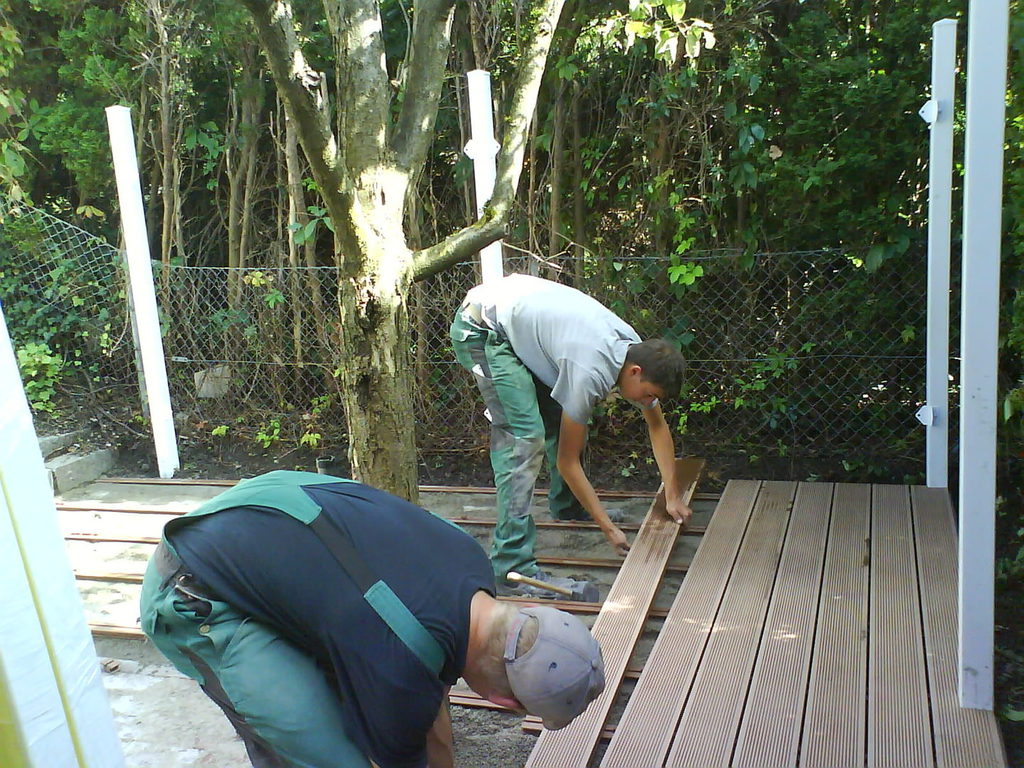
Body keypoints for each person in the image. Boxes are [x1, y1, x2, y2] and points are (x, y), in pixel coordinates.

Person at [139, 470, 605, 768]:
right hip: (195, 588)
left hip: (260, 512)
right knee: (330, 757)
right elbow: (412, 707)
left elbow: (429, 697)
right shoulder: (399, 667)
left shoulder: (472, 564)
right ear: (502, 700)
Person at [450, 273, 690, 599]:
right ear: (635, 372)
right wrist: (607, 527)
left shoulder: (635, 350)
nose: (647, 402)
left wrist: (672, 495)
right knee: (525, 438)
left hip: (518, 321)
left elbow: (657, 426)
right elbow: (567, 461)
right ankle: (510, 566)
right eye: (648, 394)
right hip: (484, 329)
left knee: (566, 421)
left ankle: (568, 507)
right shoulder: (590, 371)